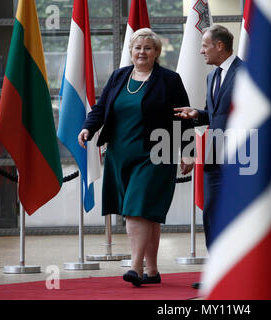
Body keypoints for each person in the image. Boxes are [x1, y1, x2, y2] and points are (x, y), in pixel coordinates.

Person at [78, 28, 194, 287]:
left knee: (136, 209)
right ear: (130, 51)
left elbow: (183, 117)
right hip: (121, 153)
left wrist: (188, 150)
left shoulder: (169, 80)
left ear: (156, 52)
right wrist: (88, 127)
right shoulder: (119, 77)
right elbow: (100, 108)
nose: (142, 52)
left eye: (148, 48)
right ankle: (152, 271)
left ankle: (135, 267)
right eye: (137, 48)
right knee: (148, 213)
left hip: (156, 153)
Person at [174, 25, 243, 288]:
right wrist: (198, 114)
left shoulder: (246, 73)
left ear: (220, 46)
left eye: (205, 45)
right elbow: (216, 115)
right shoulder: (211, 77)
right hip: (214, 154)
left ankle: (238, 271)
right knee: (212, 212)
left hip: (241, 155)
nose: (201, 50)